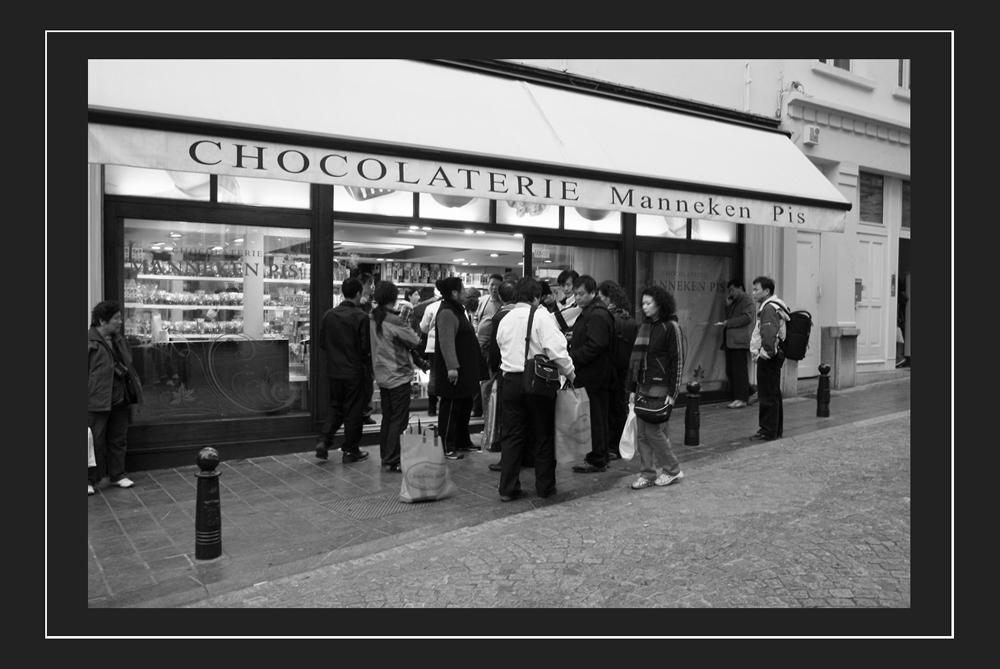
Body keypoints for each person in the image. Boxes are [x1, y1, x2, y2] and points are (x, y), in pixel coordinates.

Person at [495, 277, 576, 501]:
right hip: (539, 381)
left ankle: (508, 488)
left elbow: (501, 344)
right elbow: (557, 351)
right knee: (543, 434)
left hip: (510, 381)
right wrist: (570, 373)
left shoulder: (506, 317)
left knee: (512, 436)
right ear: (536, 296)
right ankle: (545, 487)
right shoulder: (542, 316)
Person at [627, 285, 686, 489]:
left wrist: (673, 391)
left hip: (660, 386)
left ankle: (672, 469)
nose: (644, 307)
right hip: (643, 384)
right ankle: (648, 474)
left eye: (648, 303)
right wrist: (633, 388)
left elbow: (677, 360)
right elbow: (635, 362)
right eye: (642, 303)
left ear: (659, 304)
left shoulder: (671, 327)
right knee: (642, 433)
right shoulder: (645, 326)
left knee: (654, 432)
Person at [89, 300, 144, 494]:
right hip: (96, 400)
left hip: (119, 397)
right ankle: (89, 480)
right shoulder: (89, 341)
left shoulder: (119, 339)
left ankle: (118, 474)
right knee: (93, 442)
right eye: (116, 318)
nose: (120, 322)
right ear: (102, 321)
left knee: (118, 439)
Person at [316, 277, 371, 463]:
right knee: (354, 410)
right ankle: (350, 450)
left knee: (335, 406)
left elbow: (322, 343)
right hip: (354, 371)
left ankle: (324, 441)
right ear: (358, 294)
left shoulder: (329, 315)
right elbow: (365, 348)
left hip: (334, 370)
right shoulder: (361, 317)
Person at [369, 281, 422, 473]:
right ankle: (392, 458)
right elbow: (414, 340)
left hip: (382, 374)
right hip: (398, 374)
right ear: (394, 298)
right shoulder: (394, 320)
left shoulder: (372, 317)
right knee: (399, 419)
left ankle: (386, 455)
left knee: (388, 417)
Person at [568, 275, 617, 474]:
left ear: (592, 293)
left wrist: (573, 357)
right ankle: (601, 455)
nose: (577, 298)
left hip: (594, 375)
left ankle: (596, 458)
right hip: (595, 374)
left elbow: (596, 345)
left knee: (595, 416)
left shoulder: (596, 314)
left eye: (581, 294)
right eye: (575, 294)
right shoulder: (591, 311)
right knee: (598, 416)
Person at [433, 277, 486, 459]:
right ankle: (446, 445)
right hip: (455, 371)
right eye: (462, 289)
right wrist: (452, 367)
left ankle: (462, 441)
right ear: (454, 292)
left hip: (465, 370)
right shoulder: (447, 312)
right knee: (452, 408)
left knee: (464, 405)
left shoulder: (456, 309)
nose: (465, 291)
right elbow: (446, 341)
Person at [598, 279, 638, 461]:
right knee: (619, 407)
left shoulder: (608, 318)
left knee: (611, 409)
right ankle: (618, 444)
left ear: (608, 298)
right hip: (625, 369)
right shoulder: (630, 319)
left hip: (610, 369)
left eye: (601, 297)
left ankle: (612, 446)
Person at [749, 276, 791, 442]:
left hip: (768, 358)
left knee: (767, 394)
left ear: (766, 291)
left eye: (756, 289)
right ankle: (775, 429)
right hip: (773, 356)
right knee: (773, 393)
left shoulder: (768, 308)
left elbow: (768, 334)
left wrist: (765, 354)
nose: (753, 293)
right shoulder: (775, 305)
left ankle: (767, 430)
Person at [486, 279, 518, 469]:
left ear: (500, 296)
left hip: (505, 371)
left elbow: (494, 349)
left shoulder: (500, 317)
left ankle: (507, 459)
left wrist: (492, 368)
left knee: (506, 419)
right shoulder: (531, 314)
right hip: (525, 372)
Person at [715, 278, 756, 409]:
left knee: (739, 371)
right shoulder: (735, 301)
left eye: (732, 289)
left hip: (739, 341)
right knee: (731, 370)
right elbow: (730, 317)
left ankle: (742, 399)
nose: (730, 293)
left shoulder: (747, 300)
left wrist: (727, 323)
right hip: (731, 341)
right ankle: (751, 393)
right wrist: (728, 306)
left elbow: (746, 318)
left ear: (740, 288)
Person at [419, 286, 443, 416]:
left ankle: (431, 408)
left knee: (433, 375)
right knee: (447, 376)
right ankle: (444, 405)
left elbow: (423, 328)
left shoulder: (431, 307)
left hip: (433, 347)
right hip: (449, 347)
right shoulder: (457, 307)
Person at [358, 273, 378, 426]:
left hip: (371, 348)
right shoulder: (357, 304)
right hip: (360, 349)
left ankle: (366, 412)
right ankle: (360, 412)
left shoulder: (373, 303)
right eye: (370, 284)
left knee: (369, 383)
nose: (372, 287)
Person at [549, 269, 582, 340]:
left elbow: (553, 320)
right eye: (562, 285)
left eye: (569, 285)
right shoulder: (563, 302)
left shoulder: (579, 304)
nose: (565, 289)